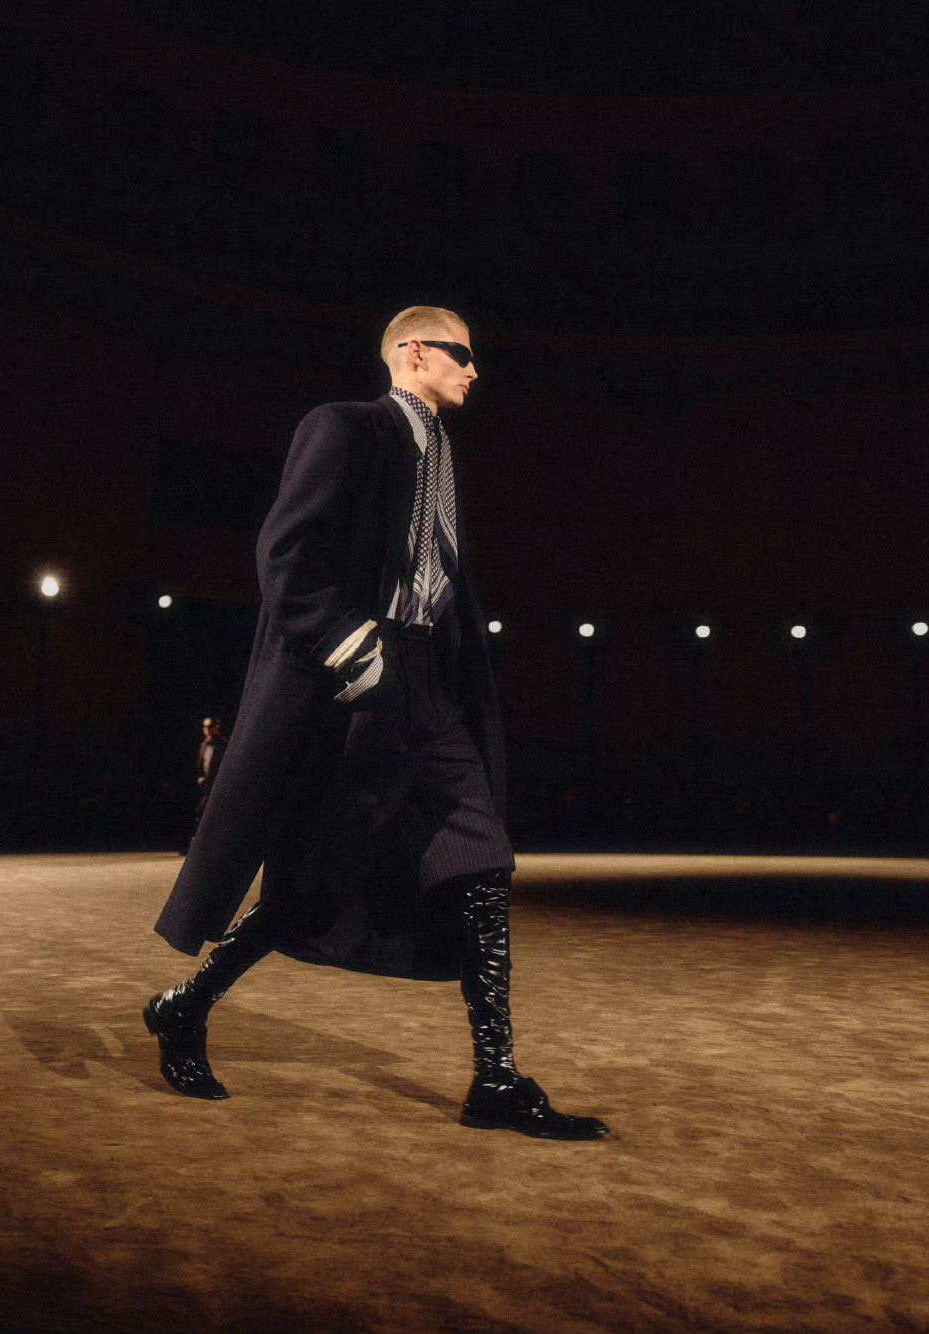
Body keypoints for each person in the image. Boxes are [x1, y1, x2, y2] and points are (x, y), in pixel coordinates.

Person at [143, 306, 607, 1140]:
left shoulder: (443, 456)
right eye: (462, 354)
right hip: (361, 682)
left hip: (429, 687)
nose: (475, 370)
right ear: (415, 351)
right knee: (316, 878)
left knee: (483, 861)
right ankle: (187, 1004)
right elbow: (286, 552)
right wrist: (351, 650)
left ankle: (495, 1078)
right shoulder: (344, 427)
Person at [187, 715, 226, 850]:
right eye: (205, 726)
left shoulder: (222, 745)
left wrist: (209, 780)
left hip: (216, 786)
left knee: (206, 813)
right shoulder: (203, 744)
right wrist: (200, 778)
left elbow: (222, 767)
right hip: (203, 785)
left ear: (216, 727)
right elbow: (200, 765)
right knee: (199, 812)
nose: (206, 729)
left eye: (209, 726)